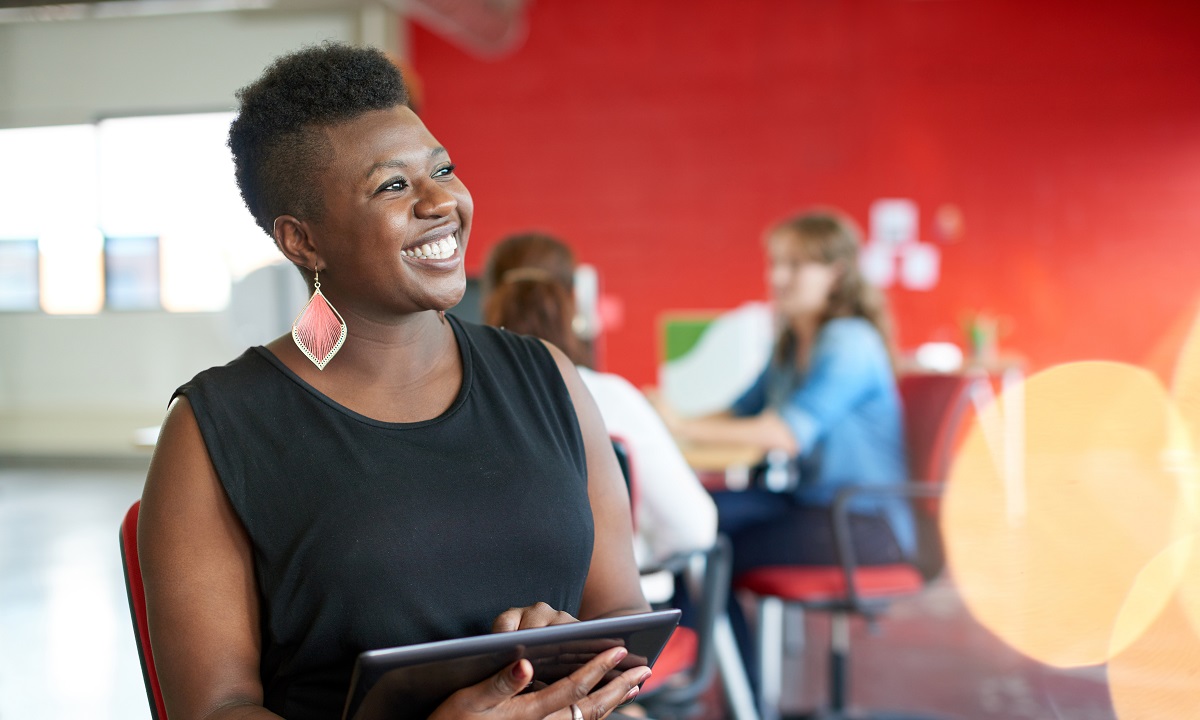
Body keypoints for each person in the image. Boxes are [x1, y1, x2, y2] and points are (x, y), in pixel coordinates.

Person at [138, 44, 652, 720]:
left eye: (442, 169)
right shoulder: (214, 432)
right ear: (302, 242)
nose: (441, 202)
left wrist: (569, 665)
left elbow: (620, 612)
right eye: (392, 186)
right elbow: (217, 708)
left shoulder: (547, 376)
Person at [657, 209, 912, 681]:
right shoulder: (793, 342)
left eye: (795, 265)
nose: (777, 277)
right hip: (811, 503)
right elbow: (740, 413)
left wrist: (680, 425)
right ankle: (705, 684)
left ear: (836, 272)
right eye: (776, 263)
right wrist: (666, 422)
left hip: (861, 522)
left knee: (705, 551)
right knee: (689, 518)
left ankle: (733, 696)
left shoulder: (849, 341)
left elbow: (785, 433)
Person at [480, 233, 718, 598]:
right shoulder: (611, 397)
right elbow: (695, 529)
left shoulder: (461, 402)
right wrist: (637, 552)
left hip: (494, 620)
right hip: (614, 613)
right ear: (575, 300)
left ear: (487, 301)